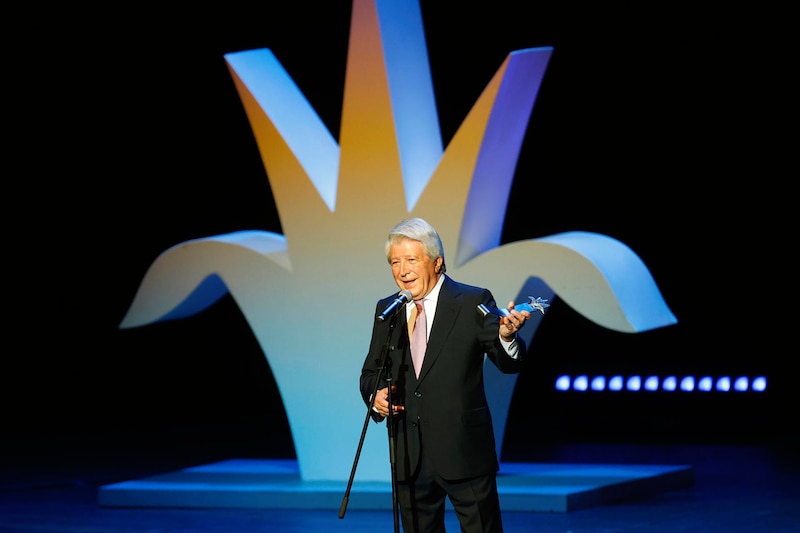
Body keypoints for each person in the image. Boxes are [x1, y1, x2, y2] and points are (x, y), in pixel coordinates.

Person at [360, 217, 532, 533]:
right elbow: (371, 372)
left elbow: (507, 363)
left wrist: (506, 337)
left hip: (464, 450)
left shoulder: (471, 301)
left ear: (437, 262)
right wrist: (376, 397)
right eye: (395, 262)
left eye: (411, 260)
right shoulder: (389, 310)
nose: (402, 270)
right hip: (410, 453)